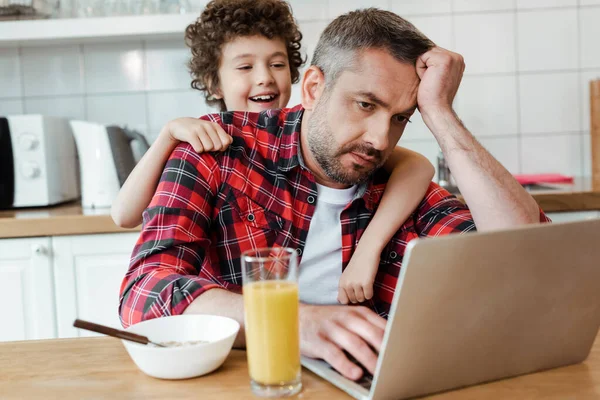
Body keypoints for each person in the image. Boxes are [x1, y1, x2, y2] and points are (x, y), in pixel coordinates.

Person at [119, 8, 548, 382]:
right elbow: (144, 290)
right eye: (365, 104)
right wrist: (291, 323)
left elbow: (528, 257)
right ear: (312, 88)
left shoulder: (398, 182)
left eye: (400, 117)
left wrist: (441, 115)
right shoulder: (216, 152)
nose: (380, 139)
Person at [110, 0, 434, 305]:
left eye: (277, 64)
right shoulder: (205, 140)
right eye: (245, 67)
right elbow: (125, 216)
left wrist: (369, 249)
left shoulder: (318, 133)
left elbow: (416, 165)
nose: (265, 78)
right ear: (215, 84)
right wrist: (168, 135)